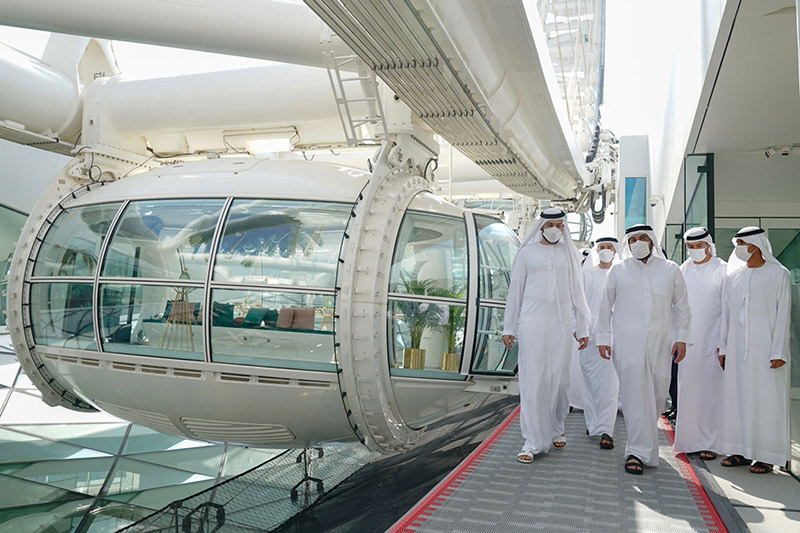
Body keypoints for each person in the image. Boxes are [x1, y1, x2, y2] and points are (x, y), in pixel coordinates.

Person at [595, 224, 692, 475]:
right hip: (627, 345)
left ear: (652, 241)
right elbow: (605, 308)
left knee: (657, 397)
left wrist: (682, 338)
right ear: (627, 243)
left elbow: (682, 306)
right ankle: (636, 452)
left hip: (661, 345)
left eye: (643, 238)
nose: (638, 243)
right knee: (636, 398)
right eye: (633, 239)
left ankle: (645, 447)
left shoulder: (670, 270)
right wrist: (603, 338)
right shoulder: (618, 271)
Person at [502, 207, 592, 464]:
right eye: (551, 225)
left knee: (560, 380)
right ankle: (532, 441)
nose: (556, 229)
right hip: (533, 326)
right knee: (533, 382)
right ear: (541, 226)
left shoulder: (570, 254)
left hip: (562, 326)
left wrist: (582, 328)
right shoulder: (526, 254)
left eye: (560, 226)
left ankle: (556, 427)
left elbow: (578, 293)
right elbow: (515, 292)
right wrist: (509, 327)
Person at [718, 227, 791, 474]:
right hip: (738, 351)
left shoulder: (778, 274)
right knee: (737, 399)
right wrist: (723, 347)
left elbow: (783, 315)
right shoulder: (733, 276)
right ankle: (738, 450)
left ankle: (764, 455)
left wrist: (778, 351)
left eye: (741, 243)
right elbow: (726, 315)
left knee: (765, 401)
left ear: (755, 245)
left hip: (767, 351)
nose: (737, 247)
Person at [673, 227, 726, 460]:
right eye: (691, 247)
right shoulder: (682, 270)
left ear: (709, 245)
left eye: (699, 246)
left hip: (713, 341)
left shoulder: (723, 269)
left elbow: (728, 309)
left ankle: (711, 442)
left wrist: (724, 342)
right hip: (688, 344)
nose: (695, 250)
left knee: (712, 393)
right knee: (689, 391)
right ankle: (689, 440)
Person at [580, 237, 621, 450]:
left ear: (616, 250)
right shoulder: (587, 274)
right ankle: (593, 423)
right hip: (590, 338)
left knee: (610, 386)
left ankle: (606, 430)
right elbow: (576, 304)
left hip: (614, 337)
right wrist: (578, 331)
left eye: (609, 247)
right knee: (591, 384)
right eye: (602, 248)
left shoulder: (622, 273)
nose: (606, 251)